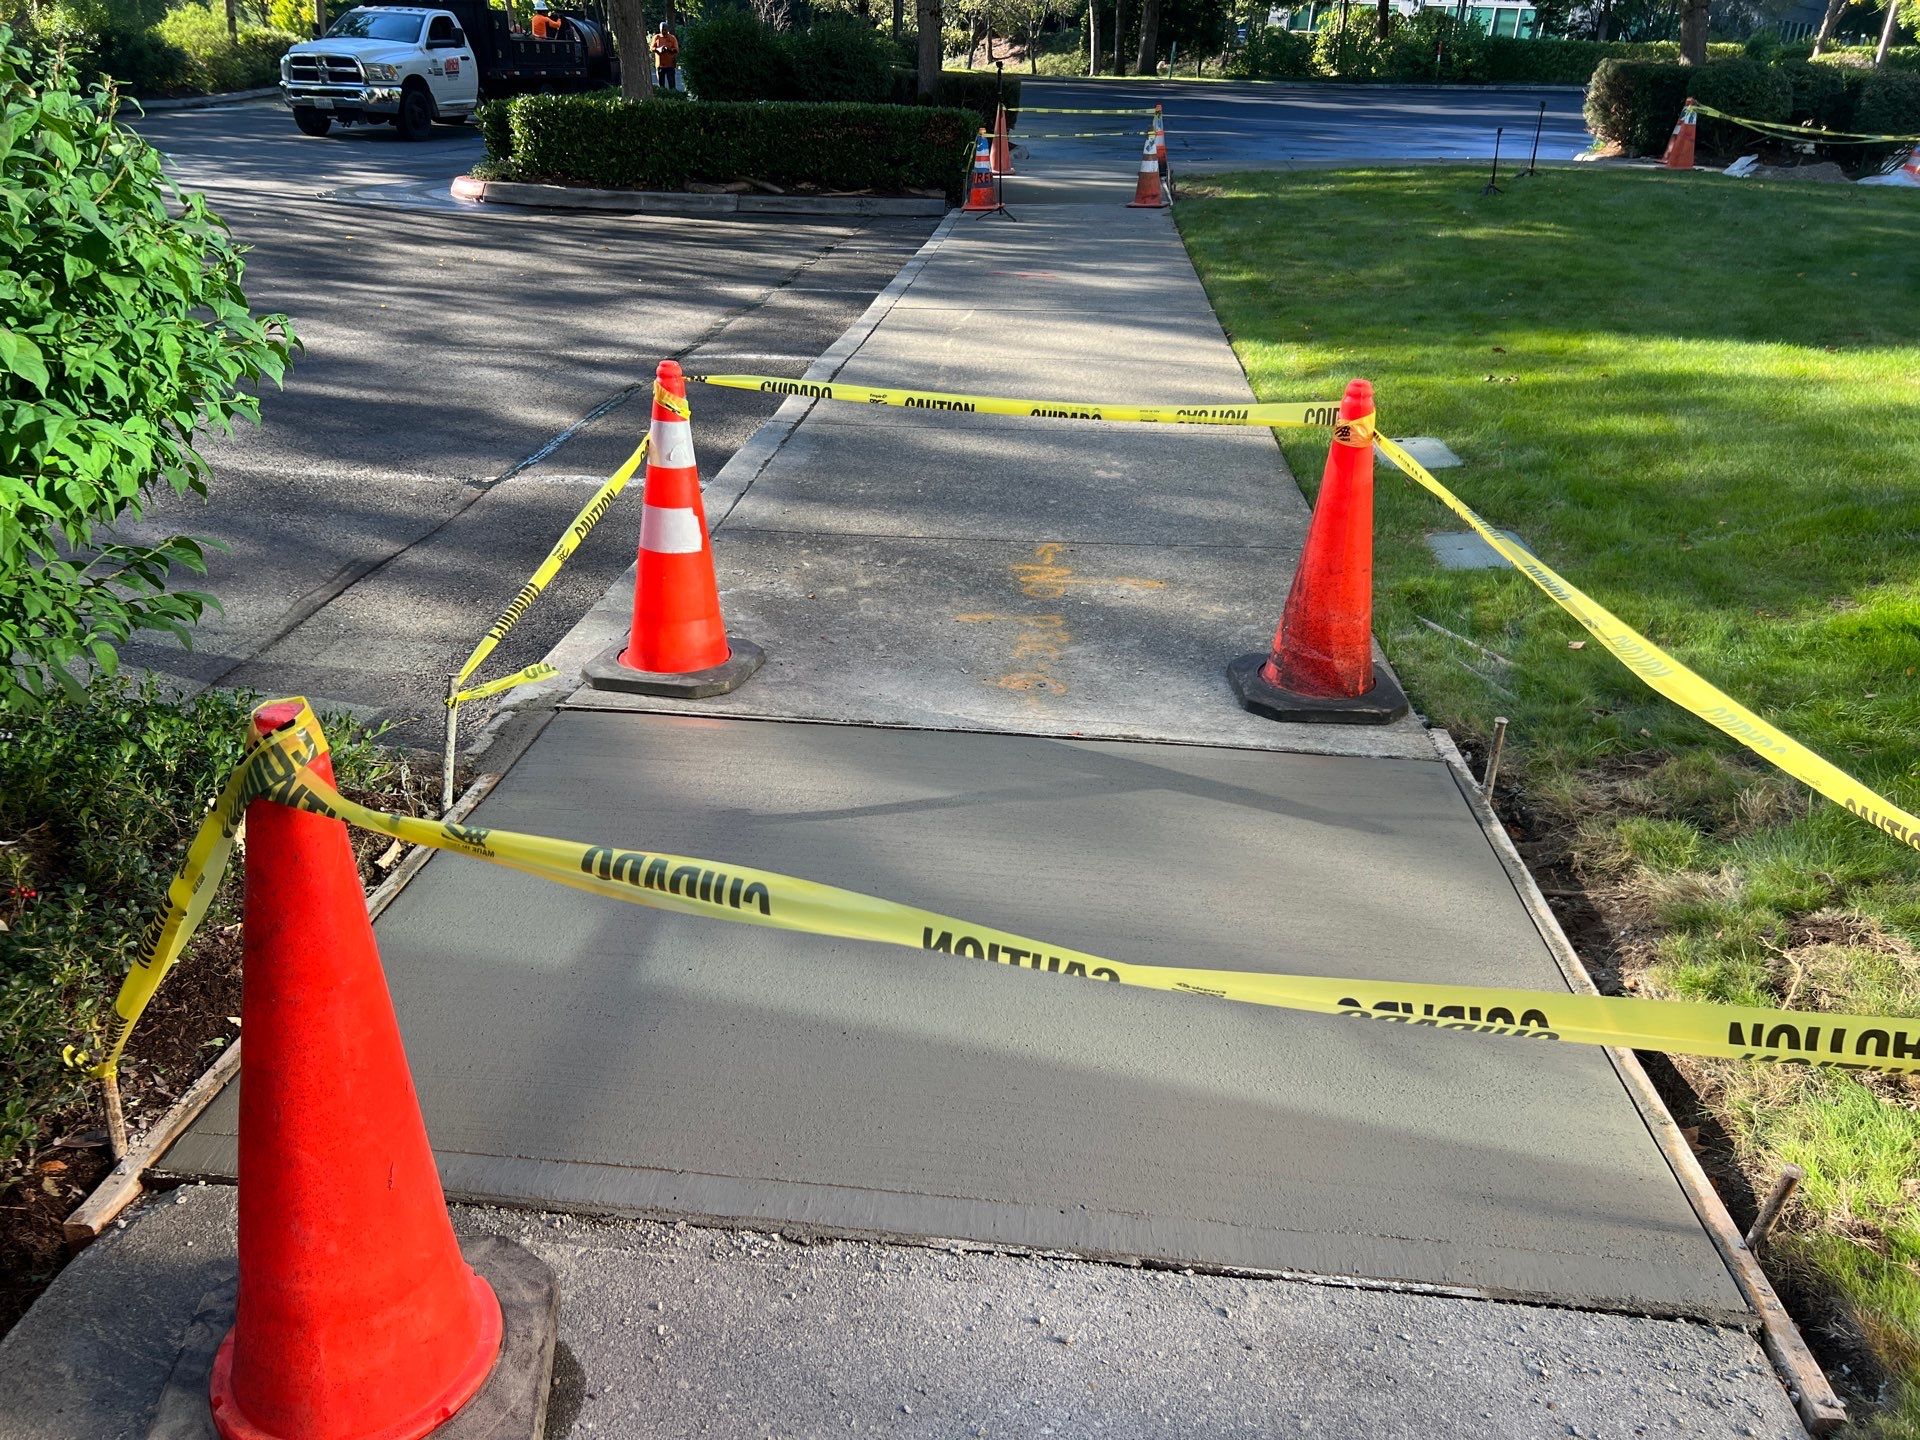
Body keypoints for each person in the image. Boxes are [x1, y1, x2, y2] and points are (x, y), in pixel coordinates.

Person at [649, 20, 679, 89]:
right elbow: (651, 48)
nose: (664, 32)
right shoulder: (656, 37)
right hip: (660, 65)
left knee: (672, 85)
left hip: (670, 65)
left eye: (665, 30)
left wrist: (669, 49)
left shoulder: (672, 38)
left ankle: (673, 97)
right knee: (661, 85)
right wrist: (658, 49)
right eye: (662, 30)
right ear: (660, 29)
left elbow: (676, 50)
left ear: (667, 29)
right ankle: (662, 97)